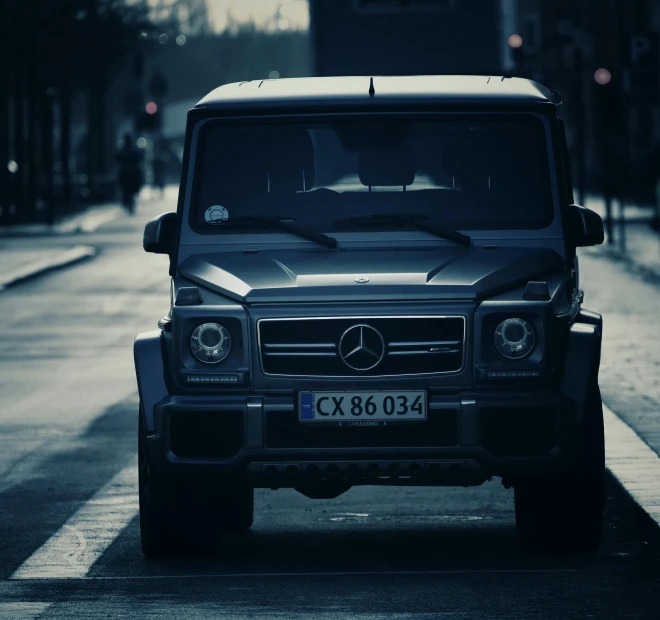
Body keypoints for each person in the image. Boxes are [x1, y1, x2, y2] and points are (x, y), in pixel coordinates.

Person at [116, 133, 142, 214]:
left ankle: (127, 199)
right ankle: (128, 199)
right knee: (128, 188)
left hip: (127, 174)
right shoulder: (132, 150)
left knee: (127, 188)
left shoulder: (124, 150)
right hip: (129, 174)